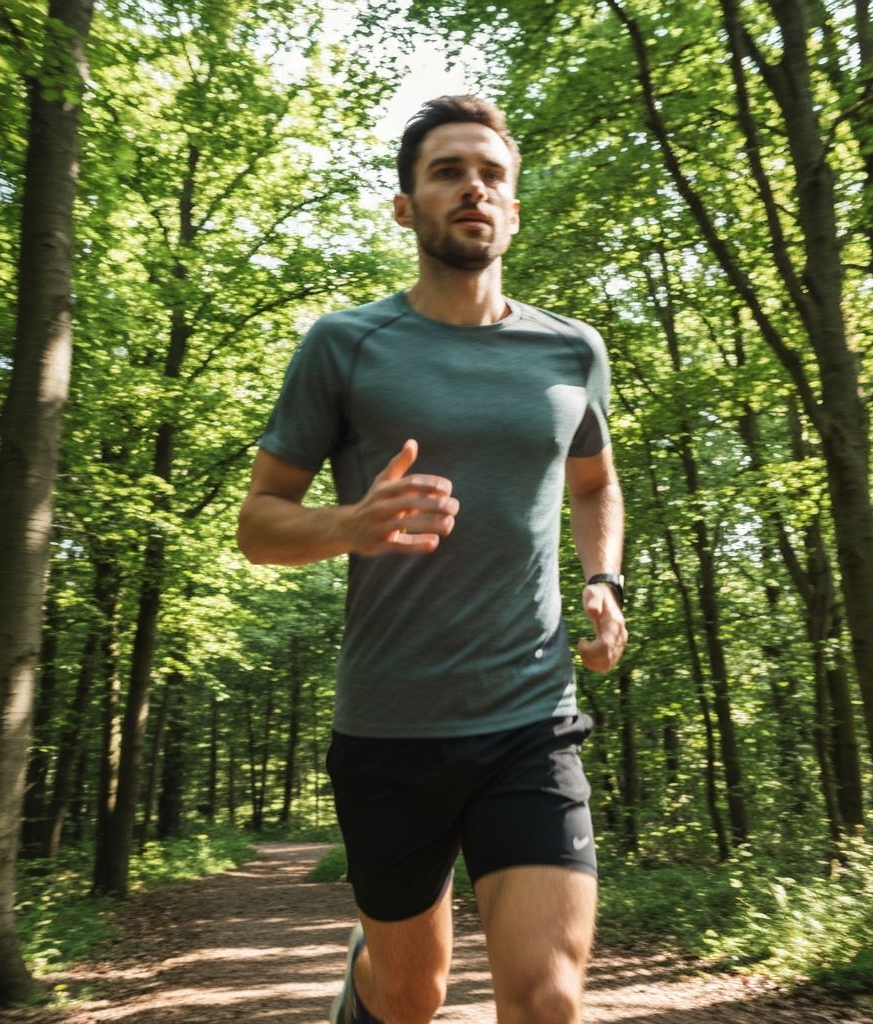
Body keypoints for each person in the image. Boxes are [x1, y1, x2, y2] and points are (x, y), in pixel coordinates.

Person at [237, 94, 627, 1024]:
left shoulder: (571, 351)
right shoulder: (345, 346)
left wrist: (602, 579)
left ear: (515, 208)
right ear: (407, 207)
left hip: (529, 715)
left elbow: (595, 483)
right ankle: (365, 983)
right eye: (447, 172)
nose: (473, 189)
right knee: (412, 996)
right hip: (390, 724)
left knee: (548, 996)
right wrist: (352, 524)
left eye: (491, 175)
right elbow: (259, 525)